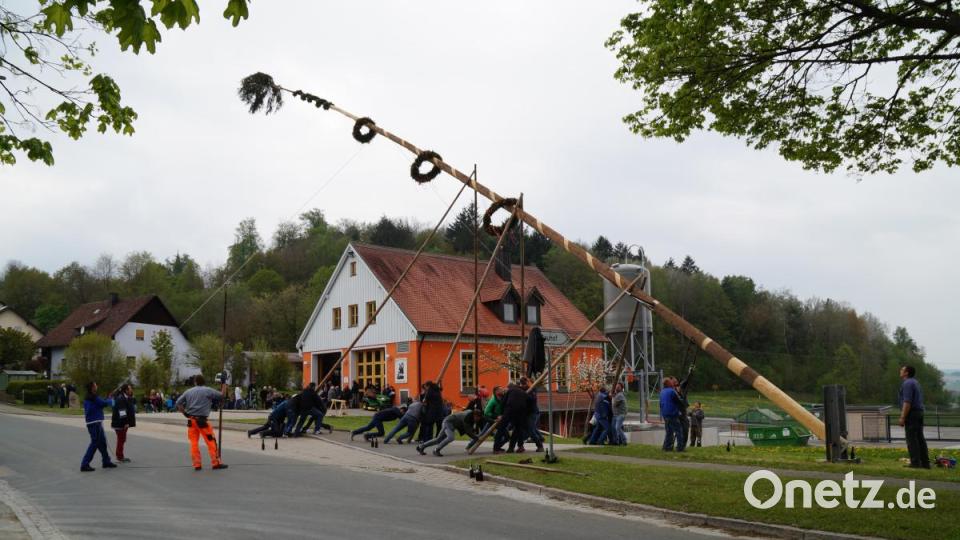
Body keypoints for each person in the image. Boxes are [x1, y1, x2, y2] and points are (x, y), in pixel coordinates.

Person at [176, 375, 228, 471]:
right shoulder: (207, 390)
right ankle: (215, 462)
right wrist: (224, 383)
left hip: (191, 421)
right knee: (211, 441)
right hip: (202, 421)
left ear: (195, 382)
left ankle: (197, 464)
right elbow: (222, 395)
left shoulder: (188, 392)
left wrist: (184, 413)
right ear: (204, 382)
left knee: (194, 443)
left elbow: (178, 403)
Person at [80, 381, 117, 472]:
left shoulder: (90, 397)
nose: (97, 386)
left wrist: (107, 399)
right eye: (95, 385)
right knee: (95, 443)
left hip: (95, 422)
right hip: (94, 423)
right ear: (92, 387)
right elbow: (103, 403)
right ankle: (84, 464)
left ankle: (106, 461)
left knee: (102, 443)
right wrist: (111, 400)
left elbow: (100, 403)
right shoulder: (93, 397)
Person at [899, 365, 930, 469]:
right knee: (920, 438)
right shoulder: (915, 382)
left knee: (911, 439)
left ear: (906, 373)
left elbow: (907, 402)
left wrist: (903, 417)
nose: (900, 371)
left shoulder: (907, 383)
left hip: (912, 414)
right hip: (919, 412)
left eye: (902, 370)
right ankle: (925, 463)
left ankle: (915, 463)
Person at [417, 408, 483, 457]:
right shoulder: (467, 417)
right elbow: (468, 431)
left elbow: (482, 419)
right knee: (451, 437)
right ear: (475, 415)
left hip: (450, 424)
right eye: (477, 418)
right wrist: (476, 438)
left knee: (438, 440)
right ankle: (436, 450)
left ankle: (421, 447)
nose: (477, 420)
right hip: (448, 422)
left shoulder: (471, 414)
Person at [111, 383, 137, 463]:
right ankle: (120, 456)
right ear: (126, 390)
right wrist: (125, 423)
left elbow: (132, 404)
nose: (131, 390)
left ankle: (120, 455)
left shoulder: (126, 397)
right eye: (130, 389)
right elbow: (122, 412)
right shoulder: (121, 399)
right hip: (120, 423)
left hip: (122, 423)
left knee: (122, 439)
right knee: (121, 439)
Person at [502, 383, 529, 453]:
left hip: (510, 412)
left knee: (503, 428)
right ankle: (520, 446)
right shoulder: (524, 393)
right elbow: (529, 402)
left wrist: (502, 413)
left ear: (509, 387)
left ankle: (509, 448)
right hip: (521, 413)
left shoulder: (510, 391)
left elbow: (504, 402)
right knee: (518, 430)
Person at [660, 378, 683, 451]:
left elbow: (661, 404)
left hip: (665, 413)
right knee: (678, 430)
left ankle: (667, 447)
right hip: (672, 413)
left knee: (669, 431)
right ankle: (680, 447)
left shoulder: (662, 392)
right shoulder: (672, 391)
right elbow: (679, 401)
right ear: (669, 384)